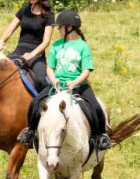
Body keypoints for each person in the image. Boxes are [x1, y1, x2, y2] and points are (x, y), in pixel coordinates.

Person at [44, 10, 110, 153]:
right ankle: (30, 131)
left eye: (60, 27)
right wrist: (54, 80)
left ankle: (101, 136)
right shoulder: (56, 45)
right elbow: (49, 67)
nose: (58, 29)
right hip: (57, 85)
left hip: (79, 86)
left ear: (70, 27)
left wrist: (74, 83)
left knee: (96, 107)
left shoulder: (82, 46)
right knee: (34, 103)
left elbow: (86, 70)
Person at [0, 0, 54, 93]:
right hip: (18, 51)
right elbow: (10, 29)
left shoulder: (48, 16)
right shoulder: (23, 11)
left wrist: (32, 54)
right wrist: (1, 41)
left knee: (42, 80)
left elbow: (46, 41)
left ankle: (45, 106)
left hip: (36, 54)